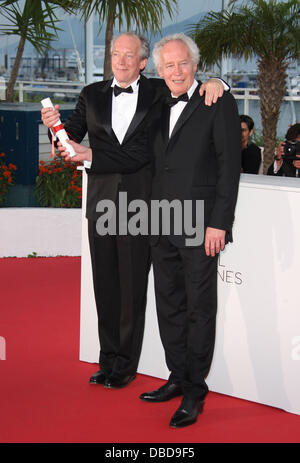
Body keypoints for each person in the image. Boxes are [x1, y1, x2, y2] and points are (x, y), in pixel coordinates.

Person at [41, 32, 226, 390]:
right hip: (102, 204)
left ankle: (125, 365)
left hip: (143, 205)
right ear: (109, 58)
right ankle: (107, 358)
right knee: (105, 287)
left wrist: (220, 82)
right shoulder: (91, 94)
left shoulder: (159, 91)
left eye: (130, 56)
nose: (122, 61)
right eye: (116, 54)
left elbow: (190, 88)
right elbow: (70, 140)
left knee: (131, 290)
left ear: (143, 62)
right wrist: (56, 129)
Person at [139, 33, 241, 428]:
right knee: (168, 305)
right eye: (168, 65)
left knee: (200, 310)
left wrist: (220, 222)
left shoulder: (217, 100)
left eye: (183, 64)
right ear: (159, 70)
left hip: (201, 226)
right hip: (160, 222)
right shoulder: (158, 98)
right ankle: (177, 376)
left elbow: (228, 167)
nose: (176, 71)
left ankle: (195, 392)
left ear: (196, 66)